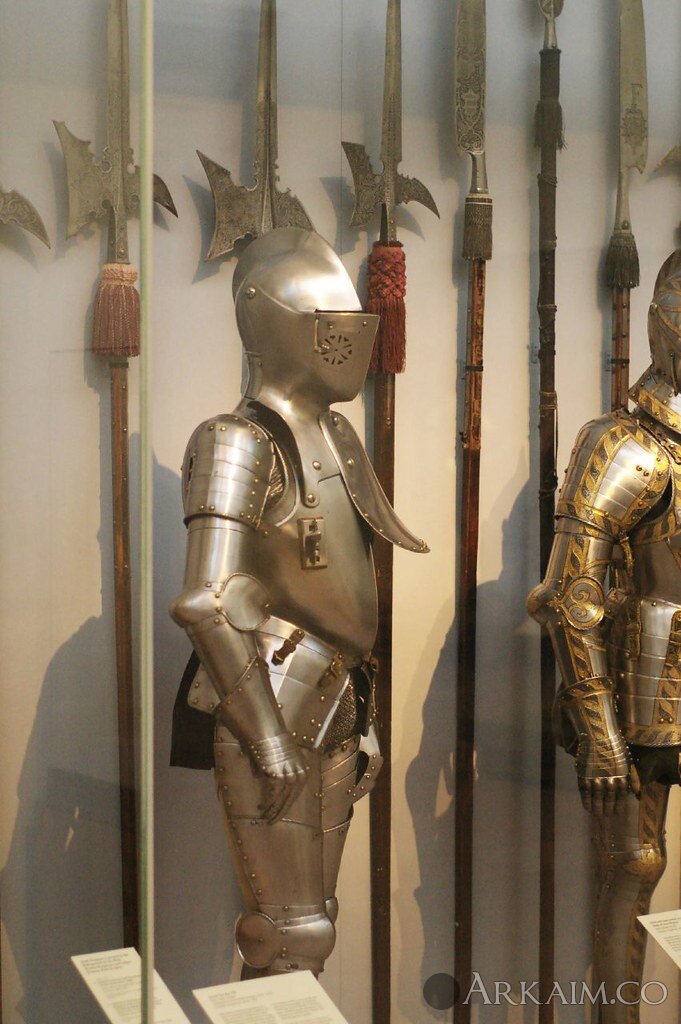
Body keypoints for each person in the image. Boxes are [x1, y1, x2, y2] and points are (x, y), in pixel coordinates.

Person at [169, 227, 428, 977]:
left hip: (335, 692)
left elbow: (345, 603)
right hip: (271, 697)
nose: (349, 340)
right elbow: (207, 602)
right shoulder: (235, 441)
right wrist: (268, 738)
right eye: (326, 323)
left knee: (315, 925)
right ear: (272, 322)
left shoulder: (335, 434)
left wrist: (364, 718)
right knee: (291, 933)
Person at [528, 250, 681, 1022]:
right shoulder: (623, 444)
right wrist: (601, 737)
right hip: (644, 683)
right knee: (633, 863)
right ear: (660, 324)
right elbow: (570, 597)